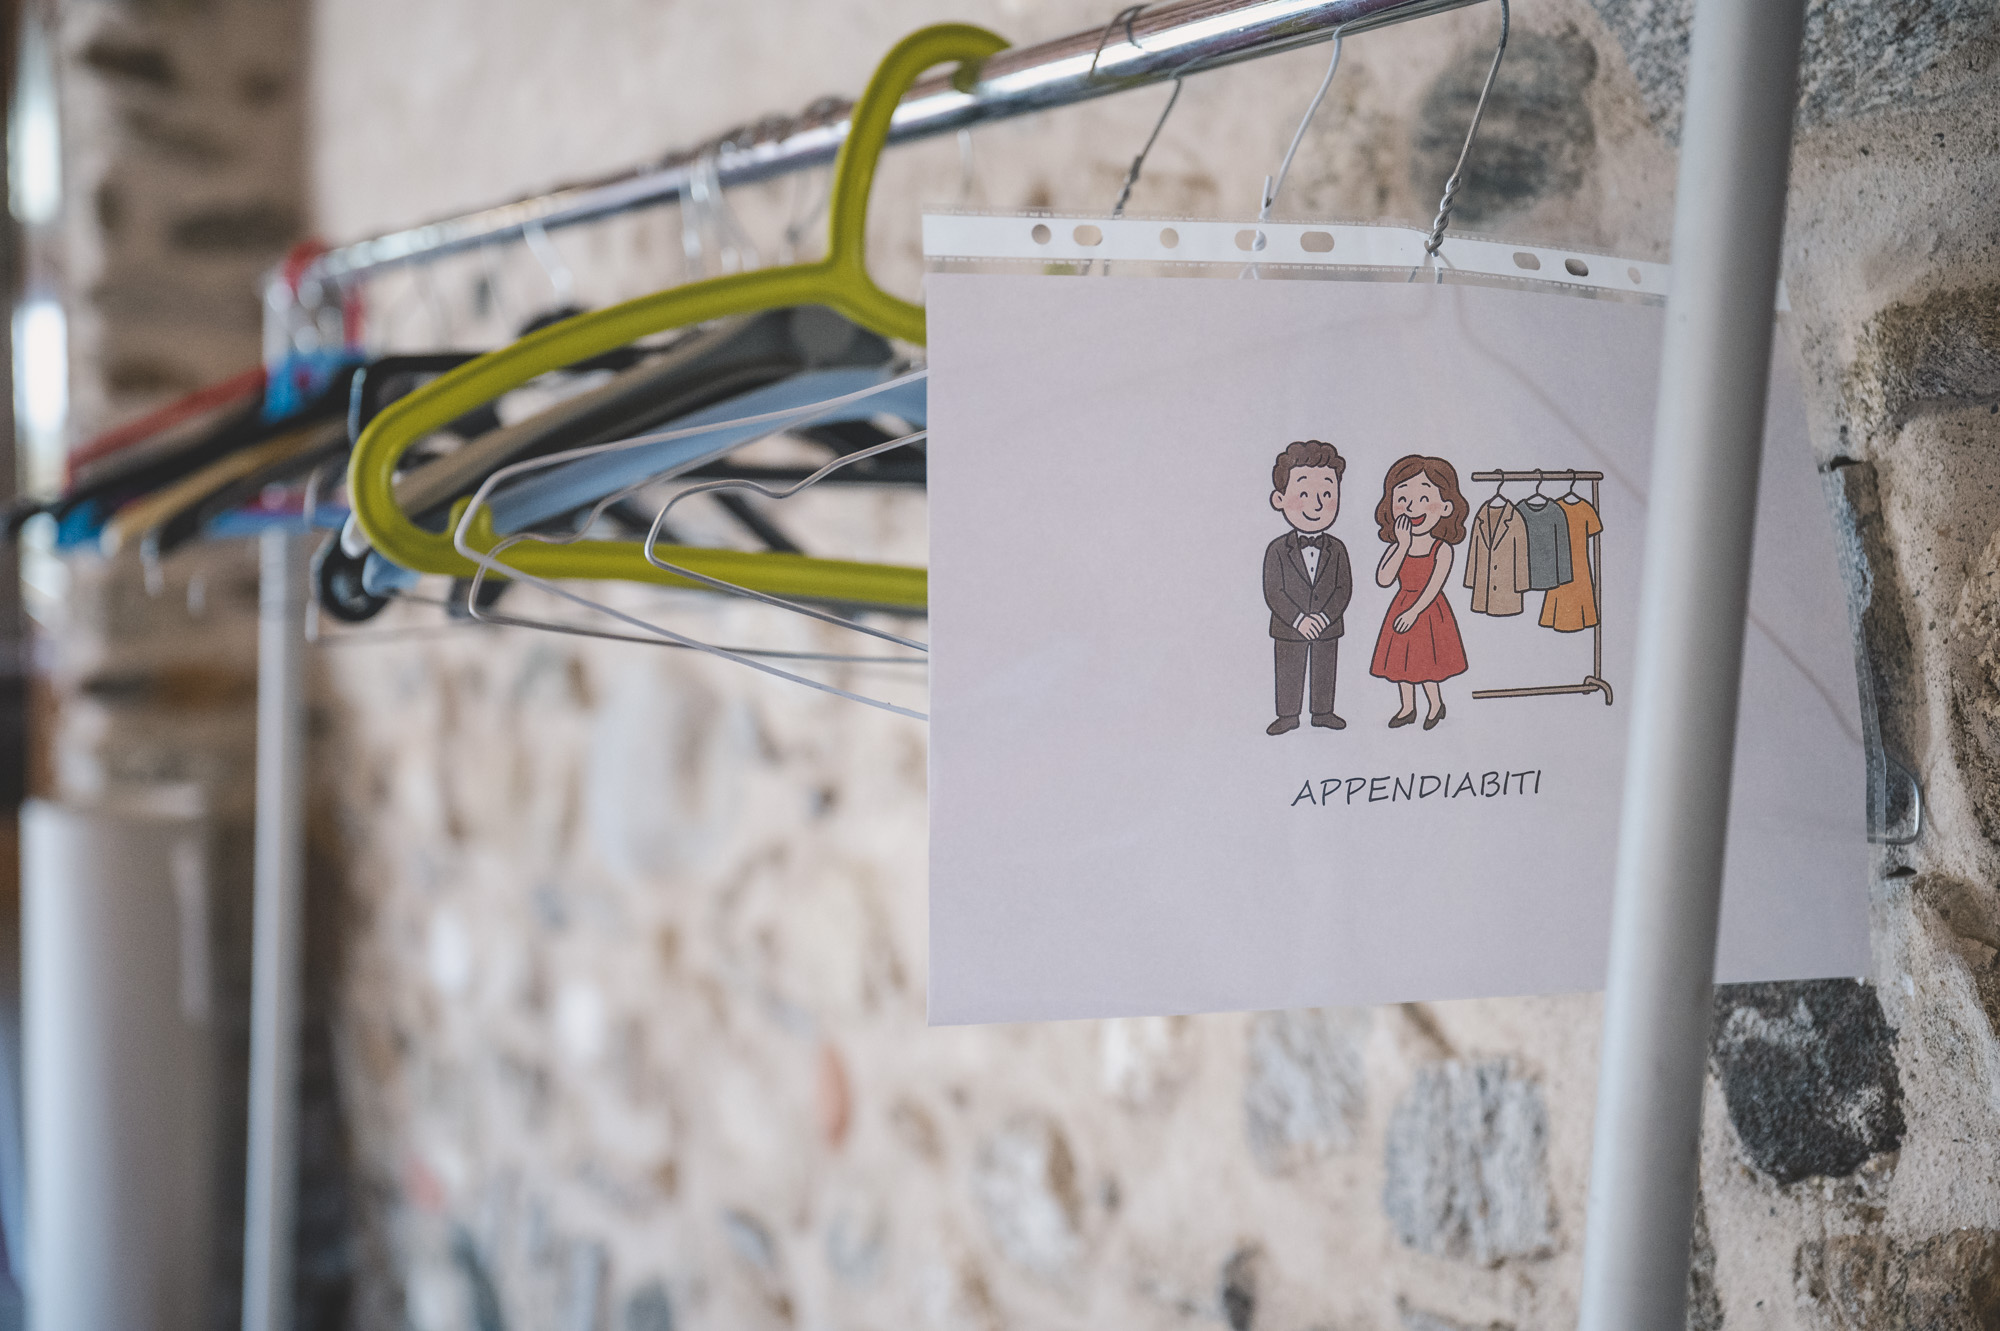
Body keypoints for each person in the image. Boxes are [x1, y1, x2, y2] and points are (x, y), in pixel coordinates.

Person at [1370, 454, 1469, 730]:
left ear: (1446, 507)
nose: (1412, 507)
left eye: (1424, 499)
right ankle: (1407, 708)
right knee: (1401, 662)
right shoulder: (1398, 546)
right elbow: (1384, 579)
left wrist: (1414, 612)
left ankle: (1436, 705)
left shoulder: (1442, 548)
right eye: (1403, 499)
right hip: (1401, 603)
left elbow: (1435, 586)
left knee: (1427, 662)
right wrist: (1402, 546)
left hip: (1429, 610)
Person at [1262, 440, 1353, 735]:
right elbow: (1274, 591)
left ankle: (1323, 712)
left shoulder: (1337, 548)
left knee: (1325, 665)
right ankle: (1287, 715)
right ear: (1279, 499)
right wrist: (1299, 619)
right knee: (1289, 666)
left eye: (1327, 494)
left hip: (1328, 625)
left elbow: (1343, 589)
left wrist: (1324, 617)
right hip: (1289, 627)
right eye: (1304, 494)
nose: (1317, 504)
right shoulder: (1277, 549)